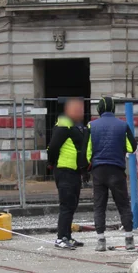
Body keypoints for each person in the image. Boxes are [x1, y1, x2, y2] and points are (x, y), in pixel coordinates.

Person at [87, 96, 137, 252]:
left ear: (99, 109)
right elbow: (131, 147)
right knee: (123, 204)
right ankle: (129, 239)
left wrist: (90, 165)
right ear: (113, 109)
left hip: (99, 171)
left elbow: (87, 151)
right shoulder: (123, 125)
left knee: (99, 205)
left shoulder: (91, 125)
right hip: (116, 170)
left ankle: (100, 240)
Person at [47, 98, 88, 250]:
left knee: (72, 204)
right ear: (68, 110)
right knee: (66, 205)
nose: (80, 112)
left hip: (74, 170)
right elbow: (53, 147)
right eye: (77, 109)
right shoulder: (64, 124)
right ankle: (60, 238)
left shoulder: (75, 125)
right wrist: (52, 164)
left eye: (81, 109)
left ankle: (67, 236)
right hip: (64, 170)